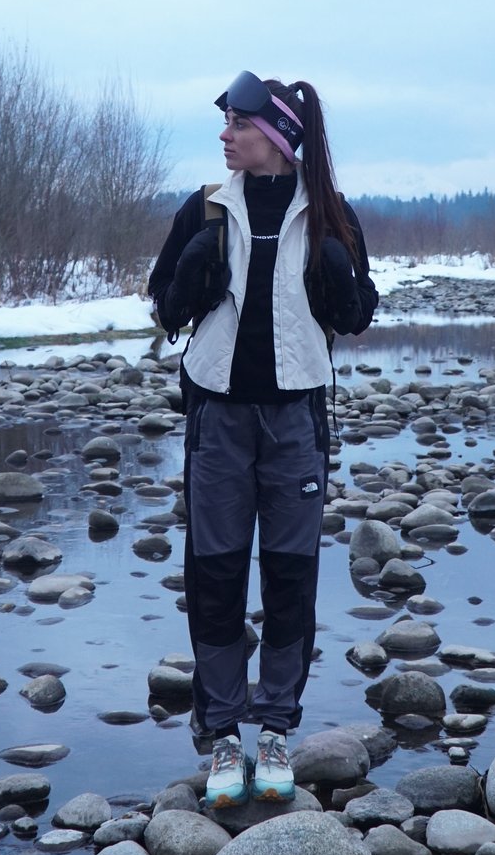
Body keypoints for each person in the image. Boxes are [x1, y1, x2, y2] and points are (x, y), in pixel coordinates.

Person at [147, 71, 378, 807]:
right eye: (224, 124)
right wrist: (187, 280)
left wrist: (341, 281)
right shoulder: (206, 209)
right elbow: (164, 308)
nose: (224, 135)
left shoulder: (331, 215)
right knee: (213, 578)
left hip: (294, 423)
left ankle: (274, 727)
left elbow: (360, 313)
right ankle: (222, 736)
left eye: (236, 124)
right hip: (217, 418)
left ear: (275, 135)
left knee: (289, 578)